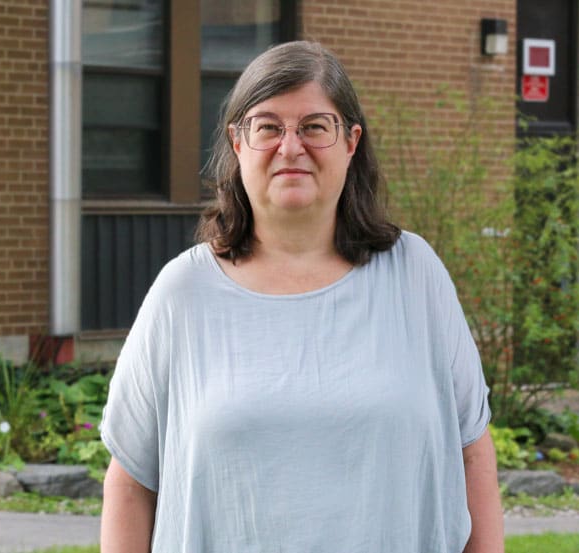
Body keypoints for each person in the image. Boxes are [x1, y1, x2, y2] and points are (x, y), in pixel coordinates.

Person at [100, 40, 503, 553]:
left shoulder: (415, 275)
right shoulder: (184, 294)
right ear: (238, 143)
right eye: (268, 127)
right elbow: (131, 483)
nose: (291, 147)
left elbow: (472, 454)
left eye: (315, 126)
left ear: (351, 142)